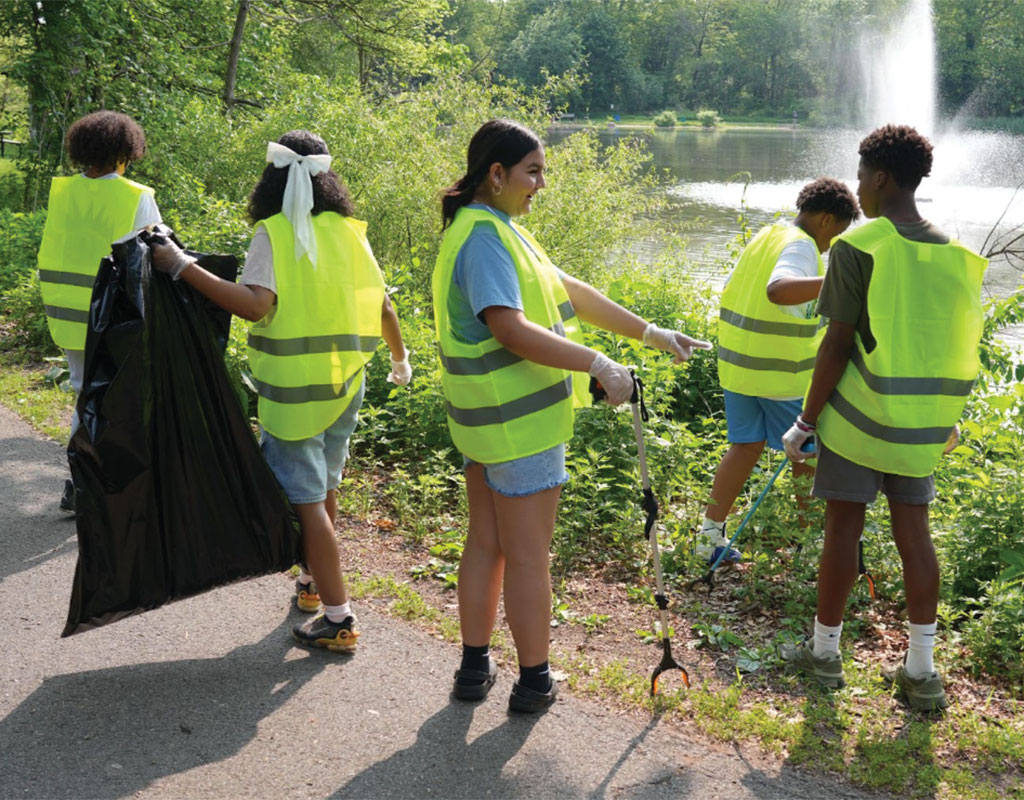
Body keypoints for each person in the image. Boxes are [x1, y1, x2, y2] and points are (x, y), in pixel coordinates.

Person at [433, 119, 712, 713]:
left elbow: (569, 289)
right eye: (533, 171)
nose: (541, 184)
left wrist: (648, 331)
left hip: (486, 423)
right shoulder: (486, 238)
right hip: (519, 428)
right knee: (526, 555)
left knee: (486, 544)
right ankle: (534, 680)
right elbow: (508, 328)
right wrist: (598, 364)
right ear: (497, 173)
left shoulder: (490, 228)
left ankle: (473, 669)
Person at [152, 130, 411, 653]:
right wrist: (400, 358)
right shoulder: (350, 231)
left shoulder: (273, 233)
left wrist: (182, 267)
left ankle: (338, 618)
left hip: (294, 391)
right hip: (345, 384)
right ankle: (312, 586)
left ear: (272, 178)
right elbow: (383, 306)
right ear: (327, 179)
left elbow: (253, 305)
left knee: (307, 500)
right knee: (325, 487)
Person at [780, 124, 987, 711]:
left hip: (860, 417)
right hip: (923, 425)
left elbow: (836, 343)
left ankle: (824, 655)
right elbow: (958, 345)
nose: (858, 187)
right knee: (914, 535)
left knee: (843, 529)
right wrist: (946, 416)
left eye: (863, 174)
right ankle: (922, 671)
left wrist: (806, 421)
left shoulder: (858, 247)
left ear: (882, 178)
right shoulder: (959, 257)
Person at [698, 178, 859, 563]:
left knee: (745, 447)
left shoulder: (768, 234)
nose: (832, 242)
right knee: (808, 455)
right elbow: (778, 289)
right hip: (779, 379)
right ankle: (807, 546)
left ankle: (707, 539)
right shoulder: (801, 246)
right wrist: (843, 280)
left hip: (740, 369)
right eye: (837, 231)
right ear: (824, 219)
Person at [36, 110, 162, 512]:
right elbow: (157, 253)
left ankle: (85, 478)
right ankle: (84, 480)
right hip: (108, 314)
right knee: (103, 398)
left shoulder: (62, 190)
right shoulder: (136, 196)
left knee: (83, 389)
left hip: (65, 311)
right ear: (127, 150)